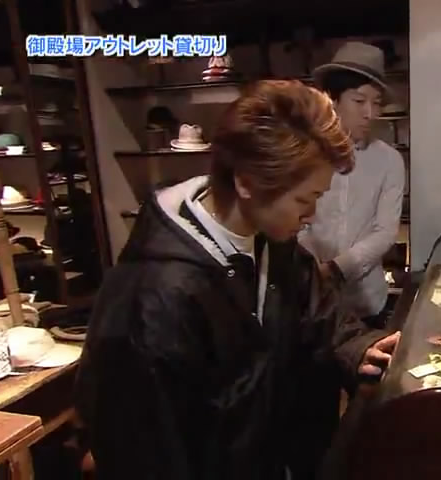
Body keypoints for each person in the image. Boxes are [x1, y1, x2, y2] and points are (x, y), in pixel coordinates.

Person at [75, 80, 400, 480]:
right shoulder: (154, 295)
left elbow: (319, 318)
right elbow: (144, 450)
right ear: (246, 182)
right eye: (304, 200)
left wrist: (359, 348)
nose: (312, 215)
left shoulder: (275, 243)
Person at [299, 41, 405, 327]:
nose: (370, 113)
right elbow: (298, 222)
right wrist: (313, 268)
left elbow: (385, 232)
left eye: (377, 103)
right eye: (359, 101)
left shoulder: (389, 160)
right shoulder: (306, 153)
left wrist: (337, 269)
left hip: (368, 301)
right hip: (312, 301)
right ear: (333, 100)